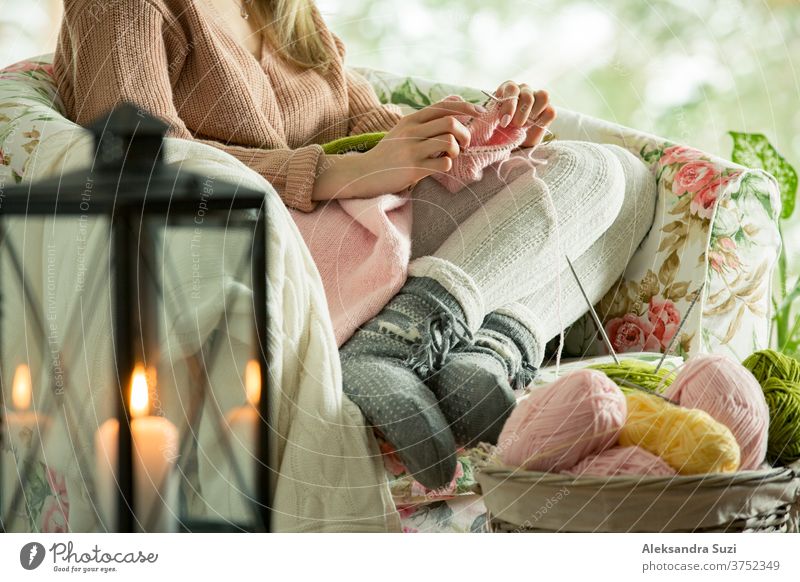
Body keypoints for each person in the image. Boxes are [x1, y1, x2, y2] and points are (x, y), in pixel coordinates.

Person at [54, 0, 656, 489]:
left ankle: (482, 350)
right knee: (599, 175)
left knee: (630, 180)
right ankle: (396, 343)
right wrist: (338, 174)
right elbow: (137, 169)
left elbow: (362, 131)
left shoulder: (286, 9)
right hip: (274, 245)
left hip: (364, 218)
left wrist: (462, 133)